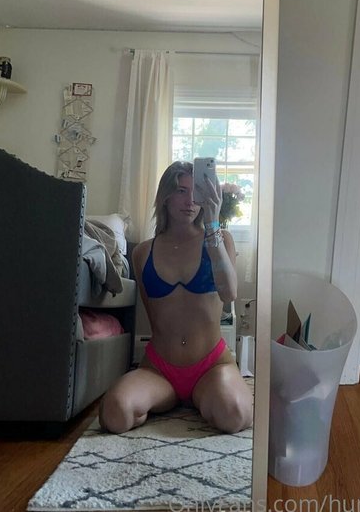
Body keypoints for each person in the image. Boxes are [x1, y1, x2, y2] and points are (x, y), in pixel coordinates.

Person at [99, 161, 253, 434]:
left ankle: (206, 397)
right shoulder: (143, 252)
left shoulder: (221, 240)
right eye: (182, 191)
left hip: (211, 366)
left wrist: (213, 225)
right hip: (160, 370)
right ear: (165, 197)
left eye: (196, 192)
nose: (190, 201)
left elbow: (229, 294)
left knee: (235, 415)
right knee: (113, 414)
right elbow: (154, 317)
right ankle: (169, 401)